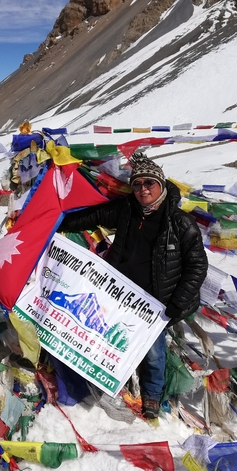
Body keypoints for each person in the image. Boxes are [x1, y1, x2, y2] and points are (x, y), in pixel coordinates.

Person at [60, 152, 208, 419]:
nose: (142, 189)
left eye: (149, 183)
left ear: (161, 186)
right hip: (120, 292)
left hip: (157, 300)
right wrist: (58, 221)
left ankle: (151, 397)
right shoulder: (127, 210)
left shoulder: (180, 223)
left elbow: (197, 266)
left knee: (152, 351)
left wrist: (177, 302)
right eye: (138, 184)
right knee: (111, 338)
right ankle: (113, 384)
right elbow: (94, 216)